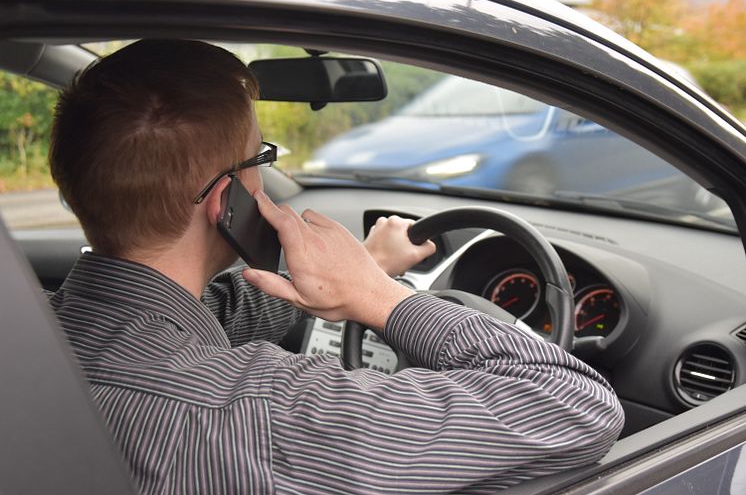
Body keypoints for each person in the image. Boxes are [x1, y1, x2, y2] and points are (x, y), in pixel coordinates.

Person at [48, 39, 624, 495]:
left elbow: (211, 315)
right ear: (229, 202)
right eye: (261, 158)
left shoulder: (43, 331)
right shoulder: (260, 414)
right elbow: (575, 405)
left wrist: (366, 263)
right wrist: (381, 298)